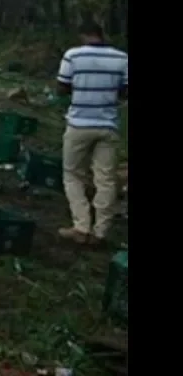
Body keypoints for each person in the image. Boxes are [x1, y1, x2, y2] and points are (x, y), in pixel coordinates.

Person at [55, 20, 128, 246]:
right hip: (108, 126)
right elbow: (125, 91)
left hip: (79, 124)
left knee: (72, 174)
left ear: (83, 35)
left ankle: (81, 226)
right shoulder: (122, 58)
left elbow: (62, 88)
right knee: (105, 179)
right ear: (101, 34)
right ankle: (100, 232)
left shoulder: (73, 55)